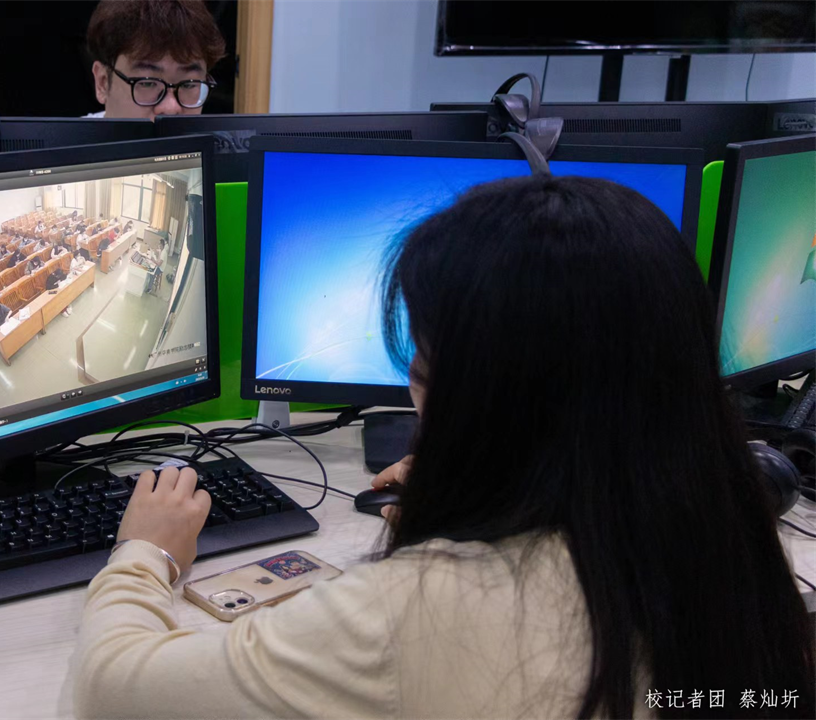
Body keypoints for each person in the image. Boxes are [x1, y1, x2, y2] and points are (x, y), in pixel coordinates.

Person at [71, 176, 816, 719]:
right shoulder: (731, 533)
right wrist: (484, 494)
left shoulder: (409, 613)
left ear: (480, 398)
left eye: (423, 366)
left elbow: (113, 690)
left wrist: (146, 552)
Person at [84, 0, 225, 120]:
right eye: (147, 83)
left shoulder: (220, 143)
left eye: (189, 85)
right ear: (102, 83)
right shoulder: (72, 143)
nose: (171, 109)